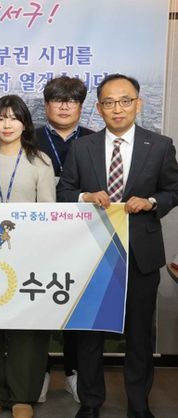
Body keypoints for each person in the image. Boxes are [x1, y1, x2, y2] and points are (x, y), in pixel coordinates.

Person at [57, 74, 178, 418]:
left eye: (125, 101)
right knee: (90, 335)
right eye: (109, 102)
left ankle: (138, 404)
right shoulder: (83, 147)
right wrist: (85, 196)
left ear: (138, 103)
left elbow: (173, 190)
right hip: (94, 255)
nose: (117, 108)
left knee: (139, 337)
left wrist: (151, 202)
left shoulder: (160, 145)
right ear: (99, 108)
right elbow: (64, 192)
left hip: (141, 255)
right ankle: (90, 402)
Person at [0, 95, 55, 418]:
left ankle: (23, 395)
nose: (7, 124)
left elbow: (48, 210)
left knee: (28, 327)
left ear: (25, 123)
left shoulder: (40, 161)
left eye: (14, 118)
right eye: (1, 118)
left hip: (29, 253)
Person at [35, 75, 94, 404]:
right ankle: (38, 371)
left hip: (82, 238)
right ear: (46, 105)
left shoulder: (94, 140)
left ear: (81, 106)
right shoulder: (29, 139)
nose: (64, 106)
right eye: (57, 99)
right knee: (36, 302)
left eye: (71, 100)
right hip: (38, 237)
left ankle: (73, 371)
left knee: (77, 306)